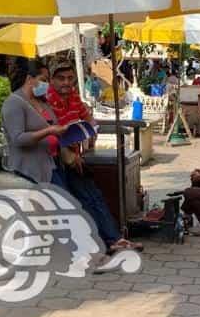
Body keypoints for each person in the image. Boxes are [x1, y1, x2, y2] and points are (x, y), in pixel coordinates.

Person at [47, 59, 140, 253]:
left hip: (73, 154)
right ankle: (101, 242)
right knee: (83, 200)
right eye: (61, 78)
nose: (66, 82)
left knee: (93, 197)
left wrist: (91, 130)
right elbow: (51, 132)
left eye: (70, 78)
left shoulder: (73, 96)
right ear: (52, 80)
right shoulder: (47, 99)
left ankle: (111, 239)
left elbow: (87, 116)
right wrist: (70, 154)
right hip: (56, 159)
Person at [1, 61, 67, 184]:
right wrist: (49, 131)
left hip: (52, 164)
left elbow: (54, 124)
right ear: (29, 79)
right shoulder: (13, 102)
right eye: (43, 80)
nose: (46, 84)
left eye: (47, 81)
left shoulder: (42, 102)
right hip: (30, 170)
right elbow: (18, 138)